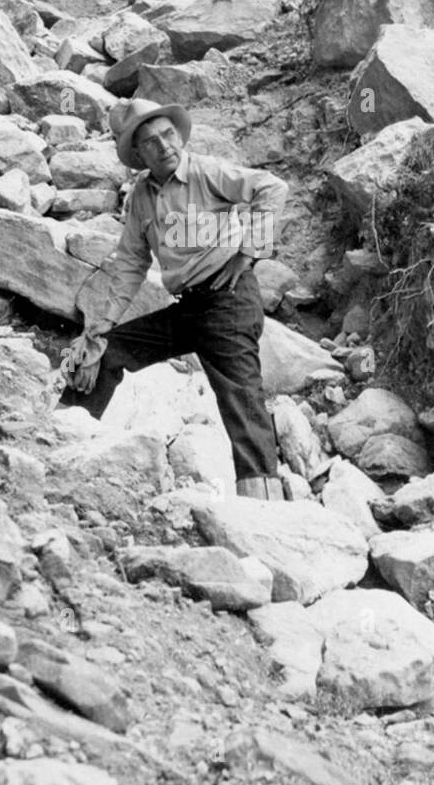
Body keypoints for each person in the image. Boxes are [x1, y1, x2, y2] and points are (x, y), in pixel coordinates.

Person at [60, 97, 289, 499]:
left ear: (178, 136)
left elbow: (272, 188)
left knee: (240, 397)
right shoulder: (141, 199)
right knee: (107, 353)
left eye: (168, 134)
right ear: (138, 153)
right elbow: (130, 264)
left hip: (229, 298)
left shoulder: (206, 172)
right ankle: (61, 444)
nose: (164, 145)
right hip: (188, 308)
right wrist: (97, 330)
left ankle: (263, 509)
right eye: (150, 141)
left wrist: (250, 250)